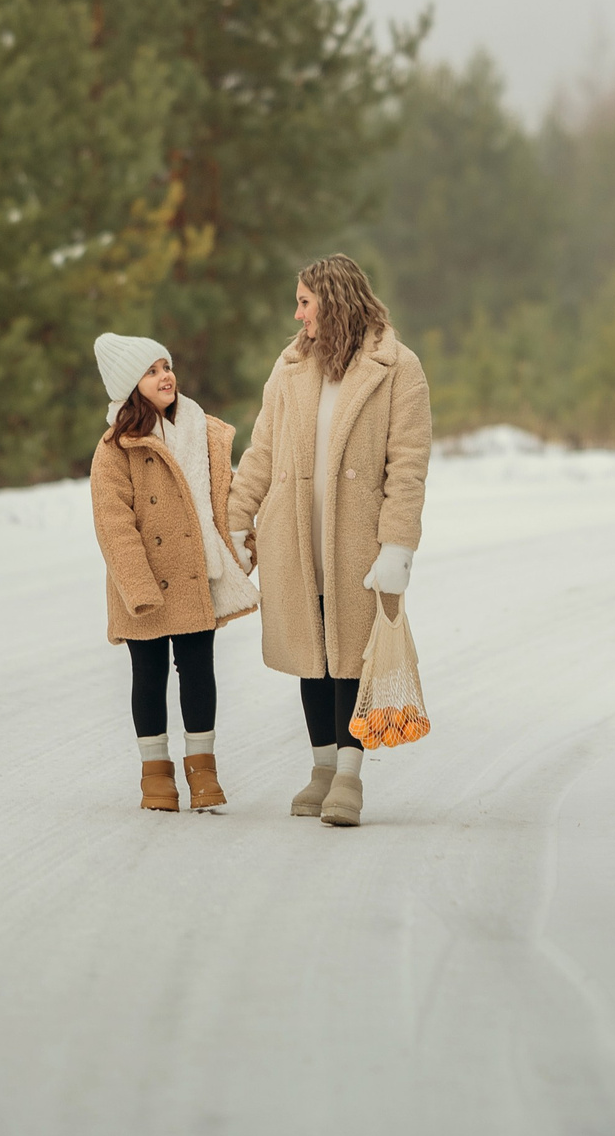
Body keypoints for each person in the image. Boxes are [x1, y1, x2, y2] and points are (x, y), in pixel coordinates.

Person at [229, 255, 432, 828]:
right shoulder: (291, 366)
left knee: (350, 656)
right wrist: (238, 521)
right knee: (311, 655)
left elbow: (408, 465)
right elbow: (261, 452)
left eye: (304, 301)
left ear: (334, 299)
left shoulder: (397, 368)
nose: (297, 314)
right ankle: (320, 768)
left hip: (358, 539)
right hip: (293, 535)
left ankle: (348, 776)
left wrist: (398, 545)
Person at [89, 333, 259, 812]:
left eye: (167, 365)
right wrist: (138, 586)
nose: (166, 376)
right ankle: (155, 776)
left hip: (193, 574)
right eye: (152, 370)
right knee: (149, 675)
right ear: (131, 387)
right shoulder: (114, 450)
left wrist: (241, 544)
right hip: (141, 582)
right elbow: (114, 527)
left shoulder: (200, 430)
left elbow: (221, 497)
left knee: (198, 671)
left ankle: (202, 770)